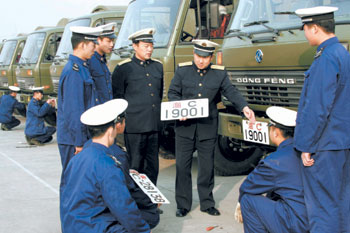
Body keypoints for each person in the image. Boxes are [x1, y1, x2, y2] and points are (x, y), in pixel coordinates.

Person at [168, 39, 255, 217]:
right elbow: (173, 93)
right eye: (198, 56)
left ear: (211, 57)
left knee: (207, 167)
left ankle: (207, 203)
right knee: (183, 167)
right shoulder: (182, 71)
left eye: (205, 57)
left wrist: (244, 107)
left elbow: (231, 91)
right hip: (185, 127)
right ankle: (183, 205)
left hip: (207, 126)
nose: (201, 60)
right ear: (193, 54)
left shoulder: (219, 74)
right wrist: (179, 109)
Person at [294, 6, 350, 233]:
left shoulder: (325, 58)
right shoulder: (343, 54)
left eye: (305, 28)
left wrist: (306, 145)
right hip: (342, 142)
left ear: (315, 28)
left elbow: (317, 108)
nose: (305, 33)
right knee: (342, 202)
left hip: (324, 146)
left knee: (322, 206)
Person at [60, 99, 152, 233]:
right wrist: (143, 230)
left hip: (72, 226)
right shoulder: (107, 164)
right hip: (93, 227)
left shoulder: (77, 158)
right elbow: (123, 206)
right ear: (111, 129)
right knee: (146, 217)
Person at [235, 106, 308, 233]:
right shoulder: (306, 151)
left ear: (275, 132)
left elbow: (248, 186)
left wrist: (239, 202)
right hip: (317, 218)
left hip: (298, 223)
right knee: (272, 193)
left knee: (247, 200)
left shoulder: (274, 162)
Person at [112, 28, 163, 186]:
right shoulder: (123, 69)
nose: (149, 49)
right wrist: (121, 121)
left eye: (151, 46)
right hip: (134, 126)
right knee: (135, 167)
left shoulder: (158, 66)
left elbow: (158, 94)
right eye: (145, 46)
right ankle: (137, 202)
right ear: (135, 46)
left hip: (154, 125)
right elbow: (118, 98)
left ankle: (150, 203)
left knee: (153, 167)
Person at [57, 26, 102, 178]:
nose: (95, 49)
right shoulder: (73, 71)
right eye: (92, 45)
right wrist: (79, 142)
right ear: (82, 45)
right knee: (73, 181)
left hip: (81, 137)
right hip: (73, 140)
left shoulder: (83, 68)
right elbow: (73, 110)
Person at [88, 23, 116, 104]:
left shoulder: (102, 60)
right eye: (108, 41)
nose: (112, 44)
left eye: (112, 41)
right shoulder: (90, 60)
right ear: (98, 40)